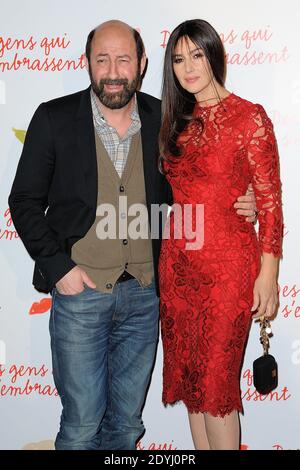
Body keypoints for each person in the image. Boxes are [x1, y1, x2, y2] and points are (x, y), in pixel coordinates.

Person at [9, 20, 257, 450]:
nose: (112, 70)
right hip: (79, 294)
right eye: (101, 59)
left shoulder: (167, 119)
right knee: (82, 425)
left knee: (125, 427)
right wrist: (58, 268)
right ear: (87, 63)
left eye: (123, 59)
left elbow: (202, 182)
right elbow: (24, 201)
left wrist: (245, 199)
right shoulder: (54, 118)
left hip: (145, 299)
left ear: (141, 64)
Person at [158, 19, 283, 450]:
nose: (188, 67)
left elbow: (270, 204)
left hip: (229, 270)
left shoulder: (250, 118)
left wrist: (268, 274)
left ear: (215, 54)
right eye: (178, 58)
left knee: (216, 391)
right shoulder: (173, 121)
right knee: (194, 390)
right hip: (177, 267)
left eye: (197, 54)